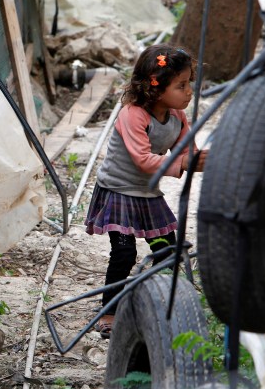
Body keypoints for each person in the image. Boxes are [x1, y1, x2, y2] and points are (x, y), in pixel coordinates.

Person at [84, 43, 208, 339]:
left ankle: (169, 306)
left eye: (189, 82)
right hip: (118, 192)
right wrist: (182, 162)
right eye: (181, 85)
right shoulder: (133, 115)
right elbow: (143, 160)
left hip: (147, 194)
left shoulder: (178, 117)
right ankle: (109, 311)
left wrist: (215, 159)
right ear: (155, 88)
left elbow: (188, 155)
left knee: (166, 253)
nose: (189, 91)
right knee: (124, 253)